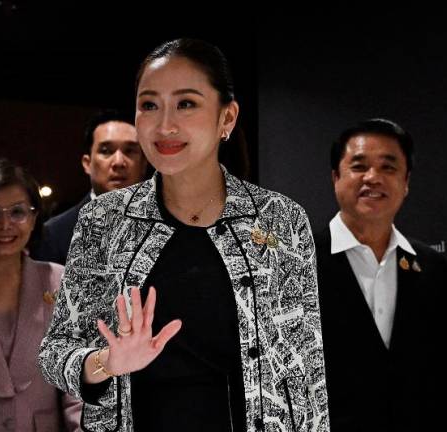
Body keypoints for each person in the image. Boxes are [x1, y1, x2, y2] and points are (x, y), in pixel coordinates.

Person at [39, 38, 329, 431]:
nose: (164, 125)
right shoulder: (103, 220)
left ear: (227, 118)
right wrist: (107, 361)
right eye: (149, 105)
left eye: (186, 103)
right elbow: (55, 354)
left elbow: (307, 374)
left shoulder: (280, 220)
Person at [316, 118, 447, 431]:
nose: (373, 178)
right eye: (359, 166)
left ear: (406, 181)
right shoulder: (295, 263)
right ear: (335, 177)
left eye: (388, 167)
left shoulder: (434, 269)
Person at [0, 159, 81, 431]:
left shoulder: (61, 281)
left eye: (18, 212)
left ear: (33, 218)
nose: (5, 224)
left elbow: (76, 385)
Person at [33, 109, 149, 264]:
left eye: (129, 151)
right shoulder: (53, 234)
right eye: (106, 151)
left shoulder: (167, 227)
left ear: (143, 164)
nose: (119, 162)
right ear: (87, 164)